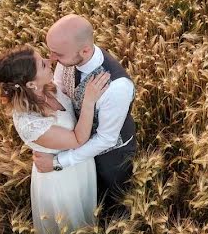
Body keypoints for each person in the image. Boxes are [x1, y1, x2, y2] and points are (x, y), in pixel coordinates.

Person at [0, 44, 110, 234]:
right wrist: (89, 100)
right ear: (30, 83)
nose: (49, 60)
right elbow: (78, 138)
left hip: (79, 166)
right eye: (42, 63)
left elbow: (66, 64)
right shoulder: (30, 123)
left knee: (87, 210)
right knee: (71, 230)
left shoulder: (47, 87)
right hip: (61, 179)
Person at [32, 14, 137, 222]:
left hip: (110, 156)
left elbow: (106, 139)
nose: (51, 59)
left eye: (57, 54)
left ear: (85, 50)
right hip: (75, 144)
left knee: (114, 202)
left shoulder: (117, 87)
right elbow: (61, 89)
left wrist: (58, 162)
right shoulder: (68, 59)